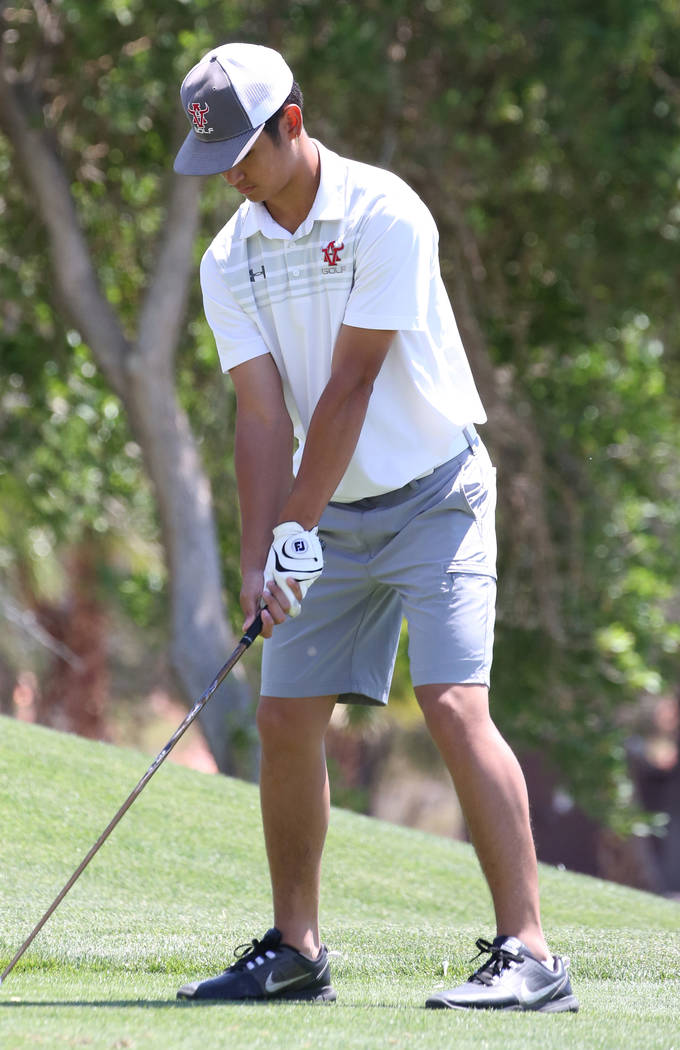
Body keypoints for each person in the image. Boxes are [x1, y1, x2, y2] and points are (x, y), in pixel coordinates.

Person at [171, 42, 578, 1013]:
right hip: (329, 515)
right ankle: (295, 950)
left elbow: (350, 387)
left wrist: (293, 536)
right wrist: (256, 555)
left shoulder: (383, 214)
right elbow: (261, 417)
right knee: (282, 718)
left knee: (449, 702)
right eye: (213, 155)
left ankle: (530, 954)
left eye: (244, 149)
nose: (231, 171)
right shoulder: (228, 259)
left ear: (294, 124)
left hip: (435, 496)